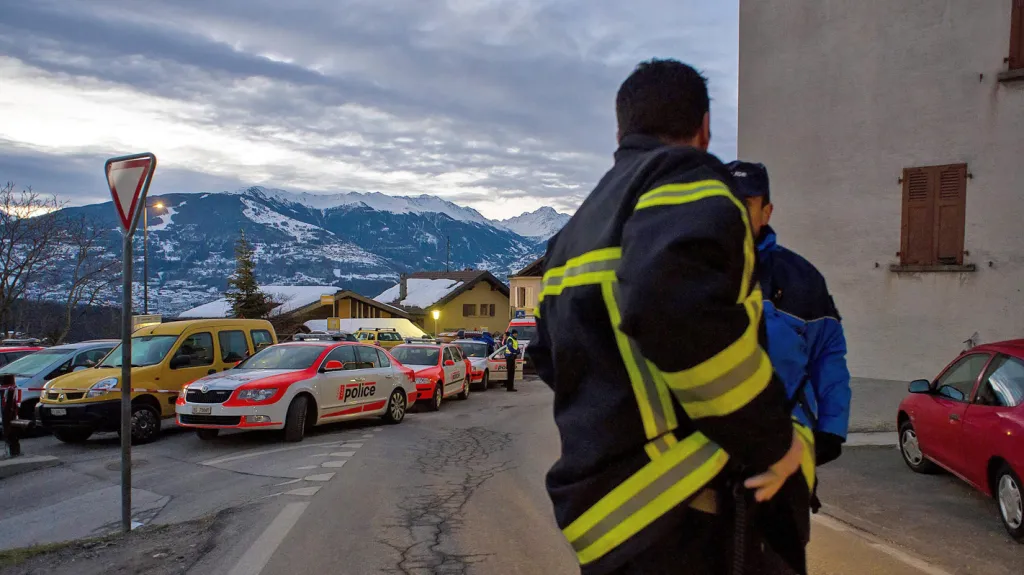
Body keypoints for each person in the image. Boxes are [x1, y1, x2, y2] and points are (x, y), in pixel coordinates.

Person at [527, 59, 814, 575]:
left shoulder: (573, 233)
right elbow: (671, 306)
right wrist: (774, 441)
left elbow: (547, 355)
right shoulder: (684, 177)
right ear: (705, 128)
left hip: (605, 526)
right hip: (680, 514)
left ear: (621, 131)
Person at [727, 161, 852, 502]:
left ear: (766, 212)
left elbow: (828, 354)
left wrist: (831, 428)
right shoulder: (688, 271)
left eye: (747, 204)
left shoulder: (802, 278)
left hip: (786, 449)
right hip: (707, 454)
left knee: (779, 553)